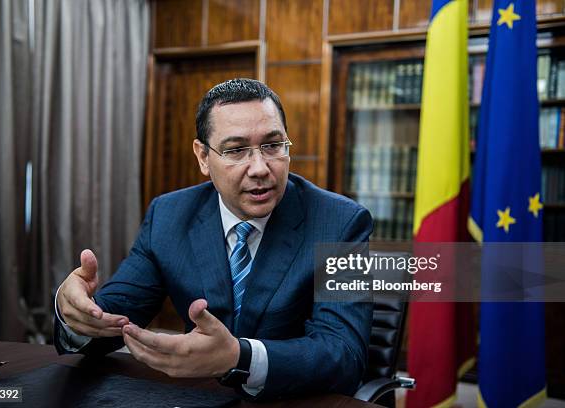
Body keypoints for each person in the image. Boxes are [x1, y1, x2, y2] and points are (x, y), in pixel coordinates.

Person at [54, 78, 373, 400]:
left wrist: (239, 357)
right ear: (203, 157)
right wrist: (77, 314)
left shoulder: (341, 223)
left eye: (273, 145)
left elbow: (344, 355)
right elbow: (114, 318)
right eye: (236, 150)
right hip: (196, 397)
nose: (260, 168)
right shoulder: (169, 215)